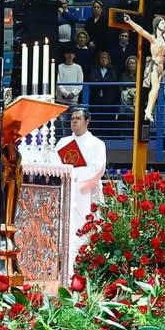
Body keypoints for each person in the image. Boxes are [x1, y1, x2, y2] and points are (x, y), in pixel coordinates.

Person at [64, 107, 107, 262]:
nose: (74, 121)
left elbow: (99, 168)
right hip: (68, 192)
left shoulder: (97, 143)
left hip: (87, 192)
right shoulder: (64, 142)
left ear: (87, 121)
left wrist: (82, 180)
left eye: (78, 118)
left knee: (88, 229)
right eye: (72, 119)